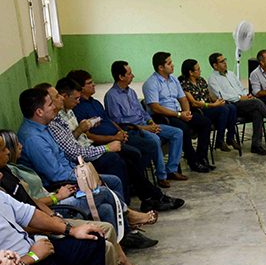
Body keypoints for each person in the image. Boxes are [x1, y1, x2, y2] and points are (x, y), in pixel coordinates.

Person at [0, 130, 145, 265]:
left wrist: (69, 228)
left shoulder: (6, 178)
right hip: (28, 262)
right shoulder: (33, 139)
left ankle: (123, 245)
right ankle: (128, 217)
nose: (9, 150)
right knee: (104, 192)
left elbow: (29, 211)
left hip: (37, 243)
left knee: (97, 234)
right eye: (3, 149)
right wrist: (32, 256)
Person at [48, 80, 183, 213]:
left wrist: (118, 133)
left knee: (132, 156)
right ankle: (130, 205)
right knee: (117, 159)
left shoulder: (72, 111)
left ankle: (148, 197)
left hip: (91, 146)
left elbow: (106, 122)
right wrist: (105, 144)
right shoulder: (55, 121)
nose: (59, 98)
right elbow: (74, 151)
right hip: (81, 159)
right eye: (56, 97)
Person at [104, 60, 186, 187]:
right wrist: (146, 128)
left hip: (145, 124)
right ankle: (161, 175)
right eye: (129, 74)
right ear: (121, 77)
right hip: (133, 129)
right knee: (154, 139)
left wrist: (150, 122)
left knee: (177, 132)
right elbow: (119, 122)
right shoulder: (111, 96)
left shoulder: (131, 92)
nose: (133, 76)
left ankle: (172, 169)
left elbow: (142, 112)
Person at [0, 187, 107, 265]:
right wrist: (32, 256)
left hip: (37, 248)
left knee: (94, 238)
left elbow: (29, 214)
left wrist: (71, 230)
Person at [208, 52, 266, 155]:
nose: (225, 63)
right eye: (222, 61)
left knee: (257, 112)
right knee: (257, 103)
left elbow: (241, 88)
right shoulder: (212, 79)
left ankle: (256, 145)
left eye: (225, 60)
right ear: (215, 65)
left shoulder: (231, 74)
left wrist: (247, 95)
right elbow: (222, 96)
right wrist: (241, 97)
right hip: (232, 105)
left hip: (243, 102)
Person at [142, 52, 211, 172]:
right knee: (183, 129)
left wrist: (187, 112)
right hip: (164, 116)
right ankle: (193, 161)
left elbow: (183, 98)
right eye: (169, 63)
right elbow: (155, 107)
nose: (173, 65)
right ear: (160, 67)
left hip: (179, 113)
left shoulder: (173, 79)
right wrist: (179, 115)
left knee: (205, 122)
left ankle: (202, 157)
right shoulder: (151, 83)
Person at [179, 59, 240, 154]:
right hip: (200, 110)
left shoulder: (201, 80)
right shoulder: (184, 84)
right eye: (198, 69)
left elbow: (209, 96)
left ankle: (230, 137)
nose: (200, 71)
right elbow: (194, 103)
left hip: (210, 107)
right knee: (223, 110)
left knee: (231, 107)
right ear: (191, 72)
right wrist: (213, 105)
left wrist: (218, 100)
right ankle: (219, 140)